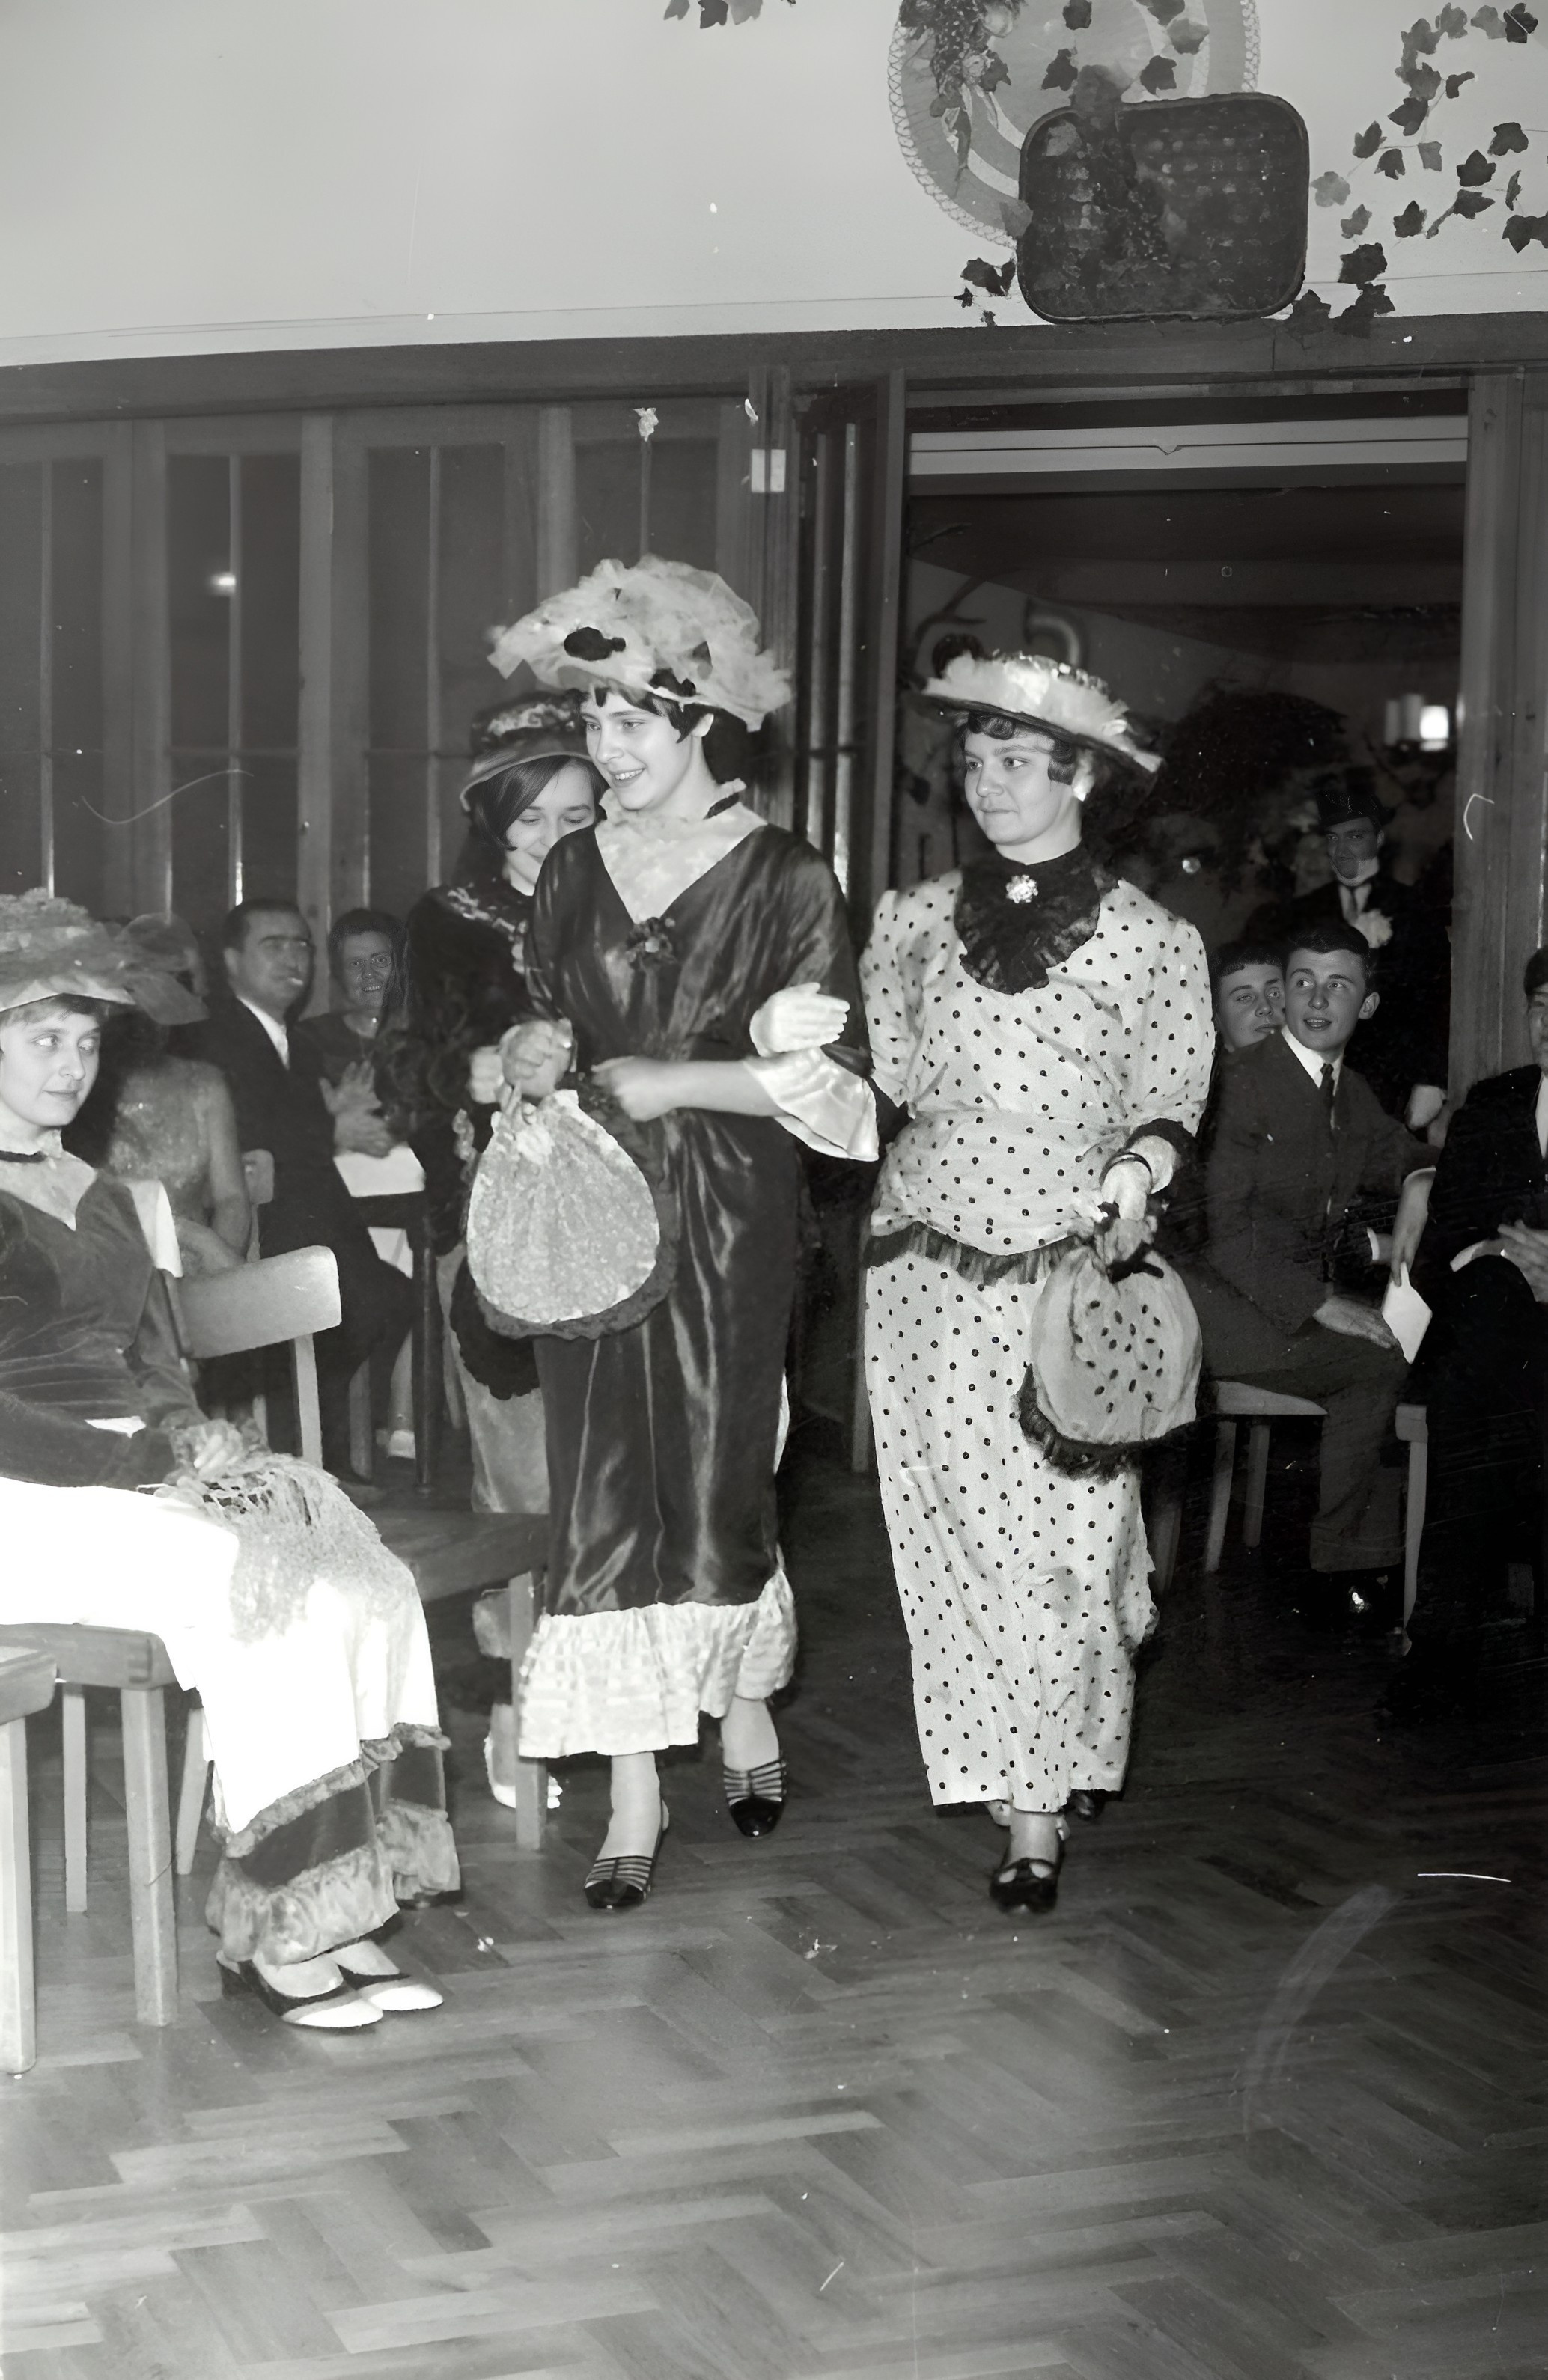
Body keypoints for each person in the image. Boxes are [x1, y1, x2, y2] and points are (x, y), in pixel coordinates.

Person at [485, 555, 876, 1909]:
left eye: (631, 722)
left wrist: (680, 1080)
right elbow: (540, 1015)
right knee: (599, 1488)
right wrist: (528, 1051)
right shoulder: (572, 871)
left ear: (701, 723)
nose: (606, 747)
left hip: (726, 1204)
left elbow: (836, 1083)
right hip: (593, 1198)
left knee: (715, 1476)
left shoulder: (785, 876)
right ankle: (639, 1785)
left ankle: (743, 1701)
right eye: (592, 721)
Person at [0, 891, 457, 2030]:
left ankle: (356, 1903)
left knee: (363, 1572)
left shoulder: (100, 1189)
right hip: (28, 1493)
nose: (70, 1065)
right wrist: (142, 1461)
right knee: (267, 1590)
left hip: (128, 1470)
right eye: (41, 1040)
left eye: (86, 1040)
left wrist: (188, 1428)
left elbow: (153, 1350)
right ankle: (278, 1932)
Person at [861, 650, 1213, 1915]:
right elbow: (882, 1087)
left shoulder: (1150, 939)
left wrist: (1134, 1168)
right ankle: (993, 1775)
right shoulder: (905, 920)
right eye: (974, 760)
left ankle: (1040, 1807)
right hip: (917, 1268)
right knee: (947, 1534)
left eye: (1017, 761)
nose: (987, 782)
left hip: (1062, 1274)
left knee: (1064, 1541)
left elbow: (1171, 1103)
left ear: (1081, 775)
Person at [386, 692, 604, 1515]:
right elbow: (397, 1065)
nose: (553, 840)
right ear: (492, 822)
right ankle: (521, 1634)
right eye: (531, 819)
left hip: (632, 1207)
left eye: (575, 817)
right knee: (524, 1466)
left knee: (620, 1459)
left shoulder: (635, 919)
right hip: (497, 1217)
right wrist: (462, 1073)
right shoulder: (446, 922)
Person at [1180, 925, 1430, 1632]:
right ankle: (1344, 1567)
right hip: (1210, 1302)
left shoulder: (1349, 1093)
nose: (1317, 998)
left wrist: (1421, 1174)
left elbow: (1406, 1151)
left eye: (1338, 984)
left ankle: (1357, 1560)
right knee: (1373, 1359)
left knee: (1391, 1346)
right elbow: (1222, 1228)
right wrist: (1319, 1303)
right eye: (1302, 982)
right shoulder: (1240, 1080)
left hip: (1273, 1300)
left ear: (1369, 1004)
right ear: (1284, 994)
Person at [183, 900, 413, 1485]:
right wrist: (332, 1127)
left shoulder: (297, 1043)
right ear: (231, 959)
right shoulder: (217, 1033)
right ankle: (306, 1461)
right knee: (345, 1305)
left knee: (382, 1299)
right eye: (273, 945)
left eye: (302, 946)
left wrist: (339, 1120)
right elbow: (245, 1133)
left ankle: (319, 1459)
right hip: (256, 1225)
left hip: (310, 1219)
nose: (292, 958)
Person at [1386, 948, 1548, 1717]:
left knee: (1479, 1380)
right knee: (1487, 1298)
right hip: (1499, 1335)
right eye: (1540, 1006)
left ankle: (1440, 1636)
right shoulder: (1491, 1105)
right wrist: (1497, 1254)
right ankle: (1450, 1635)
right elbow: (1440, 1250)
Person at [1249, 773, 1450, 1134]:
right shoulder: (1300, 914)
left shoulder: (1414, 909)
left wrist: (1431, 1079)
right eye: (1333, 838)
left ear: (1379, 840)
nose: (1342, 850)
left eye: (1355, 837)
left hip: (1392, 1079)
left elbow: (1435, 1000)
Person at [66, 914, 252, 1277]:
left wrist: (214, 1272)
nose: (144, 1018)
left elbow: (231, 1199)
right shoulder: (73, 1085)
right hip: (104, 1276)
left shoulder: (204, 1084)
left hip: (194, 1271)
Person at [293, 906, 402, 1090]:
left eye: (380, 961)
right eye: (355, 964)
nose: (369, 974)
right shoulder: (310, 1040)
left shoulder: (433, 1037)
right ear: (340, 976)